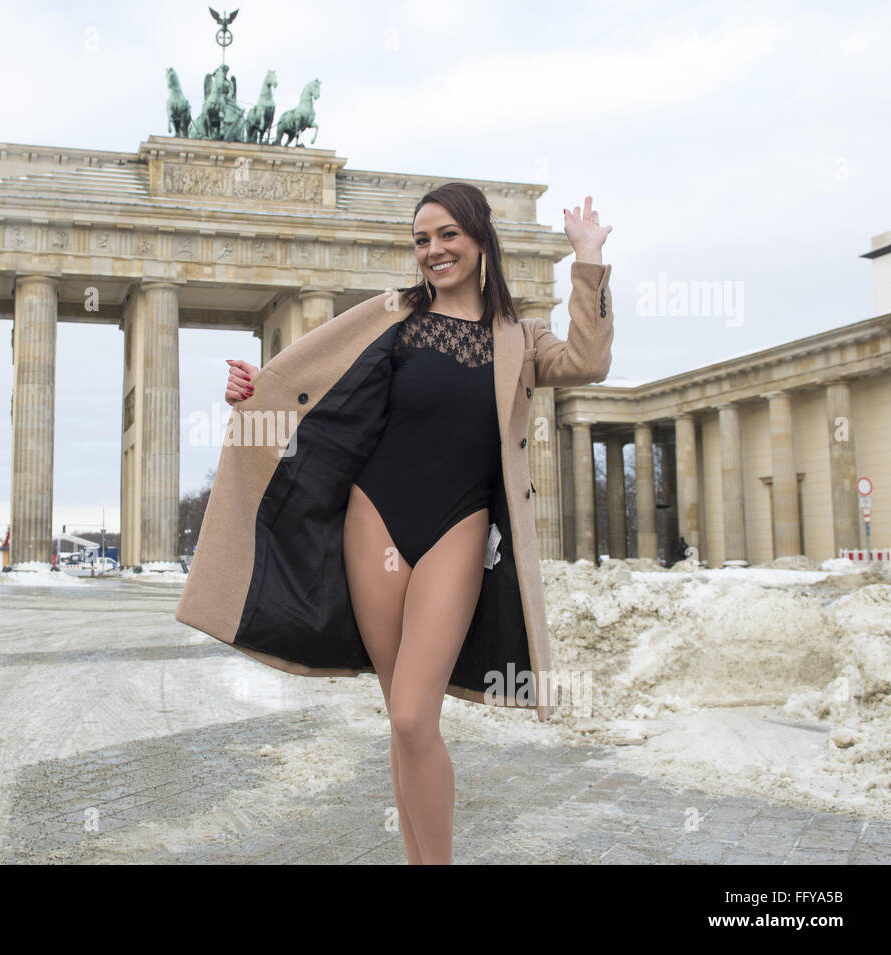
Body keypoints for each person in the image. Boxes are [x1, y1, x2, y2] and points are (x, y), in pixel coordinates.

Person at [223, 185, 612, 864]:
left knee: (411, 714)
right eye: (422, 239)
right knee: (406, 722)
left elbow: (589, 360)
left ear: (481, 241)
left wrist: (587, 261)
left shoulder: (520, 340)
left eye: (448, 235)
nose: (433, 250)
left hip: (459, 525)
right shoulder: (392, 317)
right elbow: (311, 382)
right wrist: (255, 392)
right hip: (375, 519)